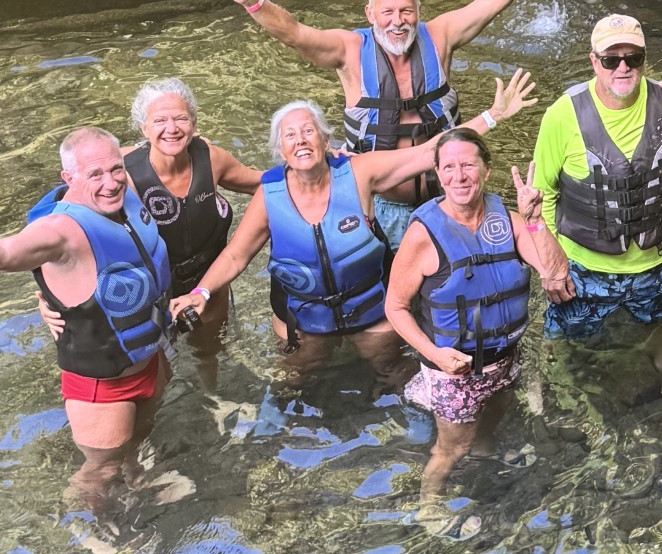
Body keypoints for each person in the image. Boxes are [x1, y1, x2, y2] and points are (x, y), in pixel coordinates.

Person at [200, 0, 563, 245]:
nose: (397, 21)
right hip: (382, 206)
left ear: (419, 11)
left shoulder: (441, 36)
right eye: (387, 12)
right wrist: (254, 2)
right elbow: (296, 33)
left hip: (450, 199)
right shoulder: (349, 52)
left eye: (406, 11)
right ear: (370, 14)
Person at [169, 93, 528, 378]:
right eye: (290, 135)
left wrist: (493, 115)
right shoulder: (269, 194)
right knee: (297, 383)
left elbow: (426, 153)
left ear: (326, 139)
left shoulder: (359, 172)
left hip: (371, 312)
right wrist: (201, 292)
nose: (301, 140)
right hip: (303, 319)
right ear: (280, 150)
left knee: (393, 373)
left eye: (309, 131)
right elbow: (236, 254)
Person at [531, 15, 662, 401]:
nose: (623, 67)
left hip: (656, 258)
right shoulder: (563, 115)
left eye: (633, 57)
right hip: (584, 266)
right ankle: (546, 374)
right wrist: (551, 264)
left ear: (645, 59)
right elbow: (542, 194)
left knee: (660, 318)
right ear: (593, 61)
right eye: (611, 59)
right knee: (563, 332)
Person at [0, 128, 172, 498]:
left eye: (115, 169)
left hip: (149, 359)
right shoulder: (59, 232)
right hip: (102, 387)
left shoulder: (126, 193)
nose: (110, 183)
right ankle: (88, 528)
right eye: (95, 175)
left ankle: (135, 475)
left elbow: (140, 147)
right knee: (99, 472)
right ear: (68, 179)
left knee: (135, 443)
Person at [385, 128, 572, 512]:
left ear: (486, 170)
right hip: (453, 370)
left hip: (505, 358)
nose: (460, 176)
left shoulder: (510, 219)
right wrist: (435, 355)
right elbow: (395, 308)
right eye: (449, 167)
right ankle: (429, 504)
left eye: (468, 164)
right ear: (437, 174)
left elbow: (556, 275)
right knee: (452, 447)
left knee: (492, 419)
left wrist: (535, 220)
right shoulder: (424, 234)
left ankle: (486, 453)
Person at [122, 77, 261, 386]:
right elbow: (70, 225)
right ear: (143, 128)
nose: (171, 128)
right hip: (154, 294)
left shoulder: (211, 158)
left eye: (181, 118)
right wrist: (49, 296)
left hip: (209, 285)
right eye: (159, 120)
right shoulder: (123, 173)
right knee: (154, 371)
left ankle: (212, 399)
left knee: (208, 354)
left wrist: (318, 162)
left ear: (194, 123)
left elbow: (262, 184)